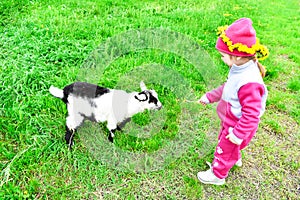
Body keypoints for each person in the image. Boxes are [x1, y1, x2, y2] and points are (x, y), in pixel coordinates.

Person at [197, 18, 269, 185]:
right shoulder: (240, 69)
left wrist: (237, 134)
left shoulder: (248, 81)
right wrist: (210, 96)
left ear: (236, 56)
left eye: (223, 56)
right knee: (229, 146)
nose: (221, 59)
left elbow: (252, 114)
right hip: (231, 120)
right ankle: (234, 156)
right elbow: (228, 87)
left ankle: (217, 175)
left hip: (237, 125)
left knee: (224, 148)